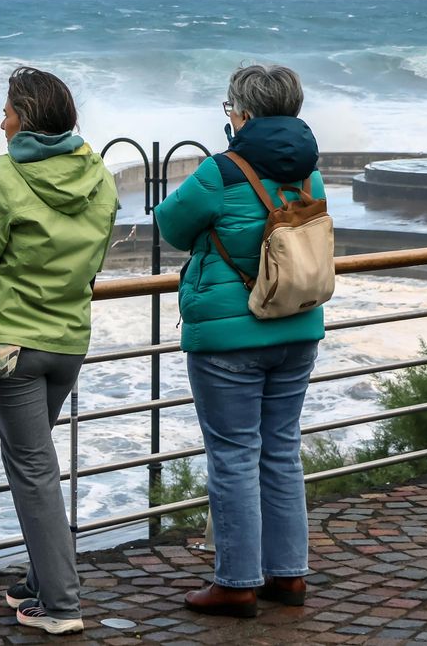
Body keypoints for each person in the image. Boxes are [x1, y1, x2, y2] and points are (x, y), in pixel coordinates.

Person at [153, 65, 325, 617]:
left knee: (232, 455)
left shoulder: (220, 171)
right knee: (280, 450)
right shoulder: (309, 171)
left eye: (230, 109)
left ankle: (236, 583)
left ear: (242, 113)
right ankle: (289, 576)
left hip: (230, 337)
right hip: (297, 326)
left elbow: (170, 227)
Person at [0, 66, 118, 635]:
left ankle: (61, 605)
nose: (0, 123)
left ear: (24, 118)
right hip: (70, 339)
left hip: (10, 346)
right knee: (37, 461)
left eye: (5, 112)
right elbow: (98, 250)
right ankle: (39, 581)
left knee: (32, 469)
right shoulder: (98, 171)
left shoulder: (0, 178)